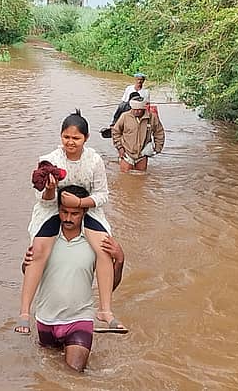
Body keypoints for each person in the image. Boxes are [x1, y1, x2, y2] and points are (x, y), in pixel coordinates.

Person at [15, 111, 127, 335]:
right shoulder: (50, 161)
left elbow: (103, 194)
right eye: (66, 137)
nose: (70, 142)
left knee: (104, 250)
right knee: (37, 251)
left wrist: (81, 202)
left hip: (87, 210)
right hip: (53, 210)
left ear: (86, 138)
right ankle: (25, 312)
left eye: (76, 138)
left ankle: (105, 310)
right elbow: (41, 198)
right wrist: (49, 190)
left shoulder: (94, 160)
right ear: (60, 136)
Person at [21, 185, 126, 372]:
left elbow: (109, 287)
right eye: (64, 212)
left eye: (75, 213)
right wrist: (26, 261)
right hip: (46, 319)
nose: (68, 218)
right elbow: (29, 273)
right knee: (47, 374)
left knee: (73, 374)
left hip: (80, 319)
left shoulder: (95, 244)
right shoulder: (47, 239)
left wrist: (119, 261)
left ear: (84, 212)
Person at [112, 97, 165, 172]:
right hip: (126, 153)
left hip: (143, 154)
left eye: (139, 109)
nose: (136, 111)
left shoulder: (152, 117)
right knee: (125, 176)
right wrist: (120, 148)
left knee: (141, 177)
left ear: (144, 108)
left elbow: (159, 133)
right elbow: (115, 132)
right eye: (134, 109)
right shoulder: (124, 116)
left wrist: (157, 148)